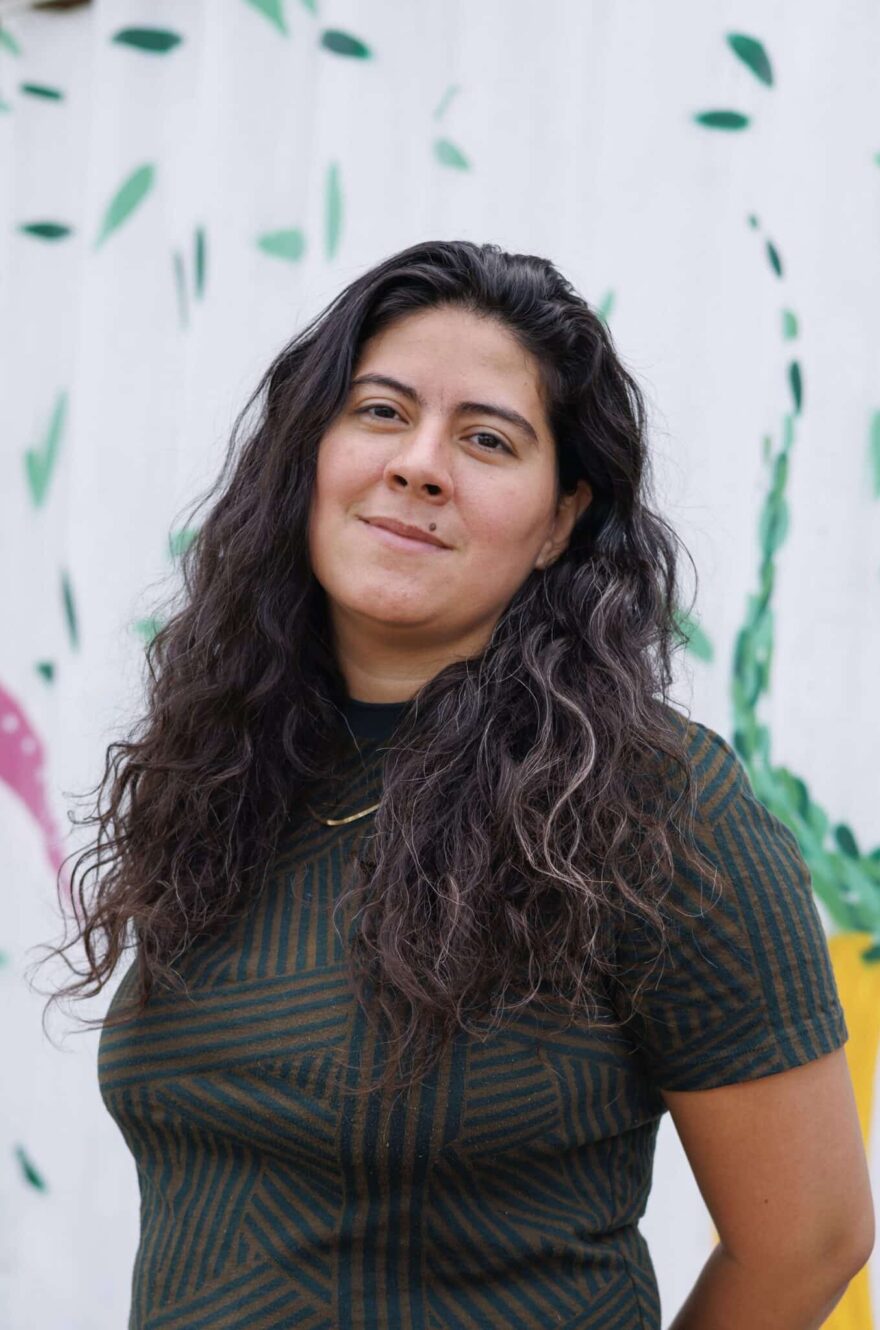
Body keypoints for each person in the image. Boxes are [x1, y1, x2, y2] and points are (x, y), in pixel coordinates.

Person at [47, 240, 872, 1329]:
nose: (420, 464)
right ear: (311, 454)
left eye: (487, 438)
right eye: (381, 412)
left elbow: (810, 1238)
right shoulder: (228, 766)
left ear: (561, 521)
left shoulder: (653, 806)